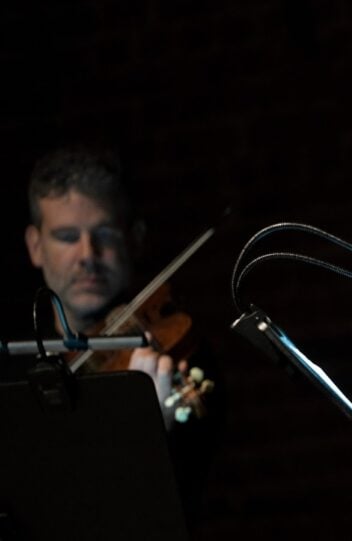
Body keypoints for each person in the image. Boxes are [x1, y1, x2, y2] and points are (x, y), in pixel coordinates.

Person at [22, 145, 217, 521]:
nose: (87, 255)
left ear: (135, 238)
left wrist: (147, 428)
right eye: (66, 236)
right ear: (35, 245)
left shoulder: (180, 357)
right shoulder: (15, 367)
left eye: (105, 234)